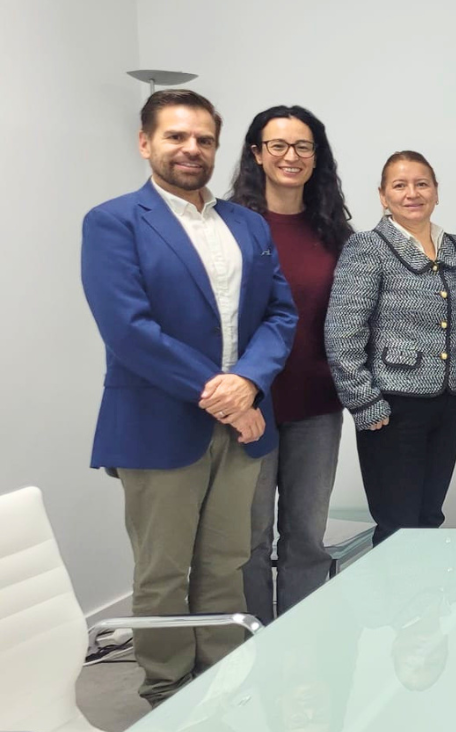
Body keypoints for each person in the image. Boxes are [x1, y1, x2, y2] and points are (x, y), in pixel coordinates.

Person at [80, 89, 297, 704]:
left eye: (203, 138)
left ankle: (223, 682)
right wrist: (226, 396)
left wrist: (249, 383)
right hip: (158, 424)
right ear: (146, 143)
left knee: (227, 561)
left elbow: (280, 315)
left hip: (243, 422)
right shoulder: (113, 222)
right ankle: (168, 691)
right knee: (162, 572)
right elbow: (129, 330)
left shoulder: (246, 223)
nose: (191, 149)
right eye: (176, 137)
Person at [228, 105, 354, 623]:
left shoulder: (336, 233)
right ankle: (253, 651)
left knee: (306, 536)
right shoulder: (228, 226)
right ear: (256, 153)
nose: (290, 156)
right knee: (247, 540)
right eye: (277, 145)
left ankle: (301, 643)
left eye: (303, 146)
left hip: (317, 405)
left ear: (317, 156)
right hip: (248, 407)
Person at [326, 151, 456, 545]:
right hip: (390, 407)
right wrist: (363, 401)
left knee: (429, 516)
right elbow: (343, 331)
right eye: (400, 185)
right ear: (383, 195)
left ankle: (429, 607)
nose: (412, 193)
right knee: (397, 523)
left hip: (447, 402)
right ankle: (394, 606)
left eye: (421, 184)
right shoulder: (367, 247)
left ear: (436, 192)